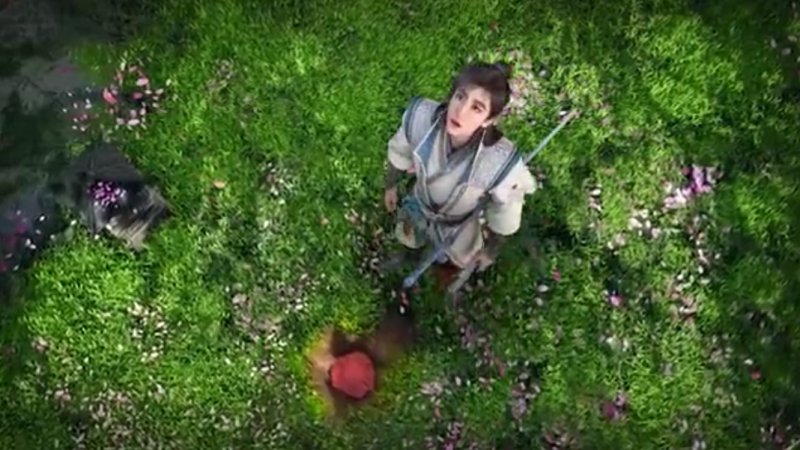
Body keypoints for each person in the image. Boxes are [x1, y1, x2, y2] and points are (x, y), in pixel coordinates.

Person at [381, 61, 538, 288]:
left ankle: (446, 281)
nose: (460, 111)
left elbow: (504, 213)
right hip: (422, 203)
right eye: (460, 96)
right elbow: (399, 152)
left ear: (488, 120)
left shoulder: (500, 164)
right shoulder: (420, 120)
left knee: (459, 260)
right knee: (409, 234)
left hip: (459, 223)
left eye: (477, 108)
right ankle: (407, 255)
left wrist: (491, 250)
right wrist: (391, 185)